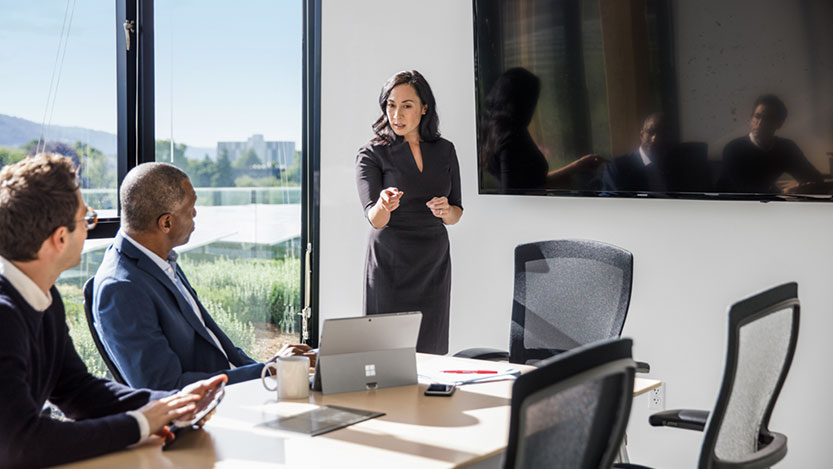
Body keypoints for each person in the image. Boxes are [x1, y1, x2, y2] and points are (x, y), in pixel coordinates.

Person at [0, 153, 226, 467]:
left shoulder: (43, 297)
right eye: (85, 219)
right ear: (60, 238)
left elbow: (77, 390)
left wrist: (175, 403)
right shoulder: (5, 317)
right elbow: (21, 445)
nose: (89, 228)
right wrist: (140, 424)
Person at [93, 162, 312, 390]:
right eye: (191, 207)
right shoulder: (121, 287)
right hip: (212, 410)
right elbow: (166, 387)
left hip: (236, 392)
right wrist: (267, 371)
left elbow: (217, 346)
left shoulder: (161, 261)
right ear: (166, 222)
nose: (195, 213)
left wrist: (269, 370)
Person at [355, 70, 462, 355]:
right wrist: (384, 204)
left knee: (431, 348)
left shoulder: (445, 150)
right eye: (391, 105)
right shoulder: (371, 153)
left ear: (424, 108)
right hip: (390, 262)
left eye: (406, 105)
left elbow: (456, 213)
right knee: (385, 353)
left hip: (433, 262)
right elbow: (375, 218)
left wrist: (445, 209)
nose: (396, 114)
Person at [479, 67, 603, 193]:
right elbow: (513, 197)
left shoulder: (504, 133)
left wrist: (577, 167)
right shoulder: (510, 139)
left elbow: (532, 184)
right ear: (520, 102)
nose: (532, 109)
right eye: (531, 101)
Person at [718, 94, 824, 194]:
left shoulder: (787, 148)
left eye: (768, 118)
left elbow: (815, 178)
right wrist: (782, 191)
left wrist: (799, 185)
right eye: (757, 116)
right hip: (729, 206)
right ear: (751, 119)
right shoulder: (733, 148)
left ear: (779, 124)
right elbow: (745, 190)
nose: (760, 123)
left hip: (767, 204)